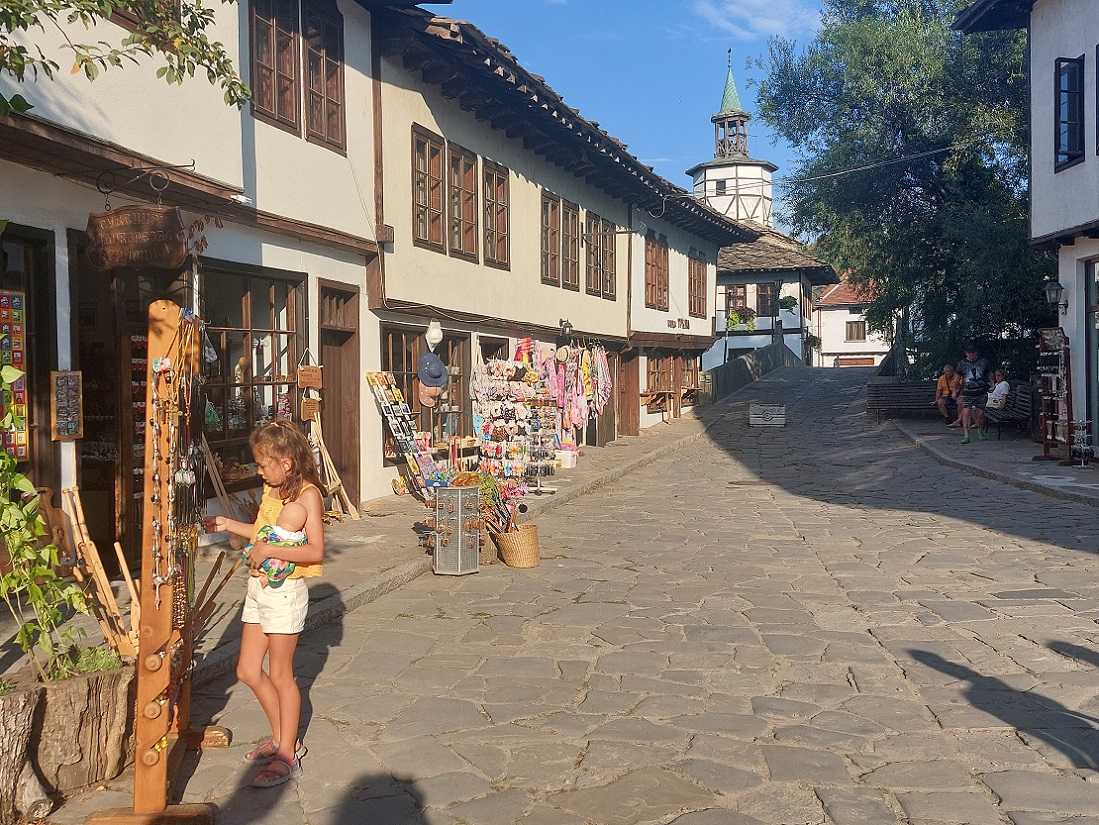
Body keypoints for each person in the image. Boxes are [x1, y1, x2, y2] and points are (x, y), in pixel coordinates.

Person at [202, 421, 325, 788]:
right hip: (259, 590)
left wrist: (270, 550)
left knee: (281, 674)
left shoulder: (307, 495)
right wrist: (227, 523)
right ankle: (279, 737)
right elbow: (261, 534)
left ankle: (288, 753)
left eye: (262, 463)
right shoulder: (273, 489)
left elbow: (315, 550)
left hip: (285, 593)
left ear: (285, 462)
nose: (258, 470)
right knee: (248, 671)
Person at [242, 500, 307, 588]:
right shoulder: (298, 537)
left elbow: (260, 536)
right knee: (283, 569)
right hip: (278, 563)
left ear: (279, 516)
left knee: (250, 549)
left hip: (262, 557)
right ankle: (268, 579)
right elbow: (303, 547)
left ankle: (254, 569)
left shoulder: (270, 529)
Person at [956, 343, 992, 444]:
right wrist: (956, 391)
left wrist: (992, 384)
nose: (971, 355)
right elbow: (957, 378)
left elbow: (989, 373)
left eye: (973, 352)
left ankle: (980, 431)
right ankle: (966, 435)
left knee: (980, 414)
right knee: (966, 413)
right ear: (966, 353)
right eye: (969, 353)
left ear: (976, 353)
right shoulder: (962, 363)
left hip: (981, 391)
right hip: (967, 392)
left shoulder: (983, 362)